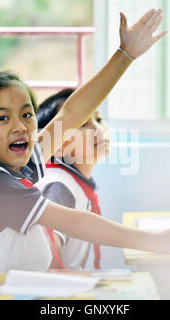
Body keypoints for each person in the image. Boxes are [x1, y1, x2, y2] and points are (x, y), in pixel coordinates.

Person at [0, 8, 170, 274]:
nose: (20, 127)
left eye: (27, 114)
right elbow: (77, 224)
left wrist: (125, 54)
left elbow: (71, 113)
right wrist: (155, 241)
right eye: (3, 118)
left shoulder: (2, 166)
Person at [35, 88, 109, 270]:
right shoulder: (58, 186)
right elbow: (51, 267)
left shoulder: (72, 183)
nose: (98, 129)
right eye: (83, 124)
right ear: (57, 142)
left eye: (98, 119)